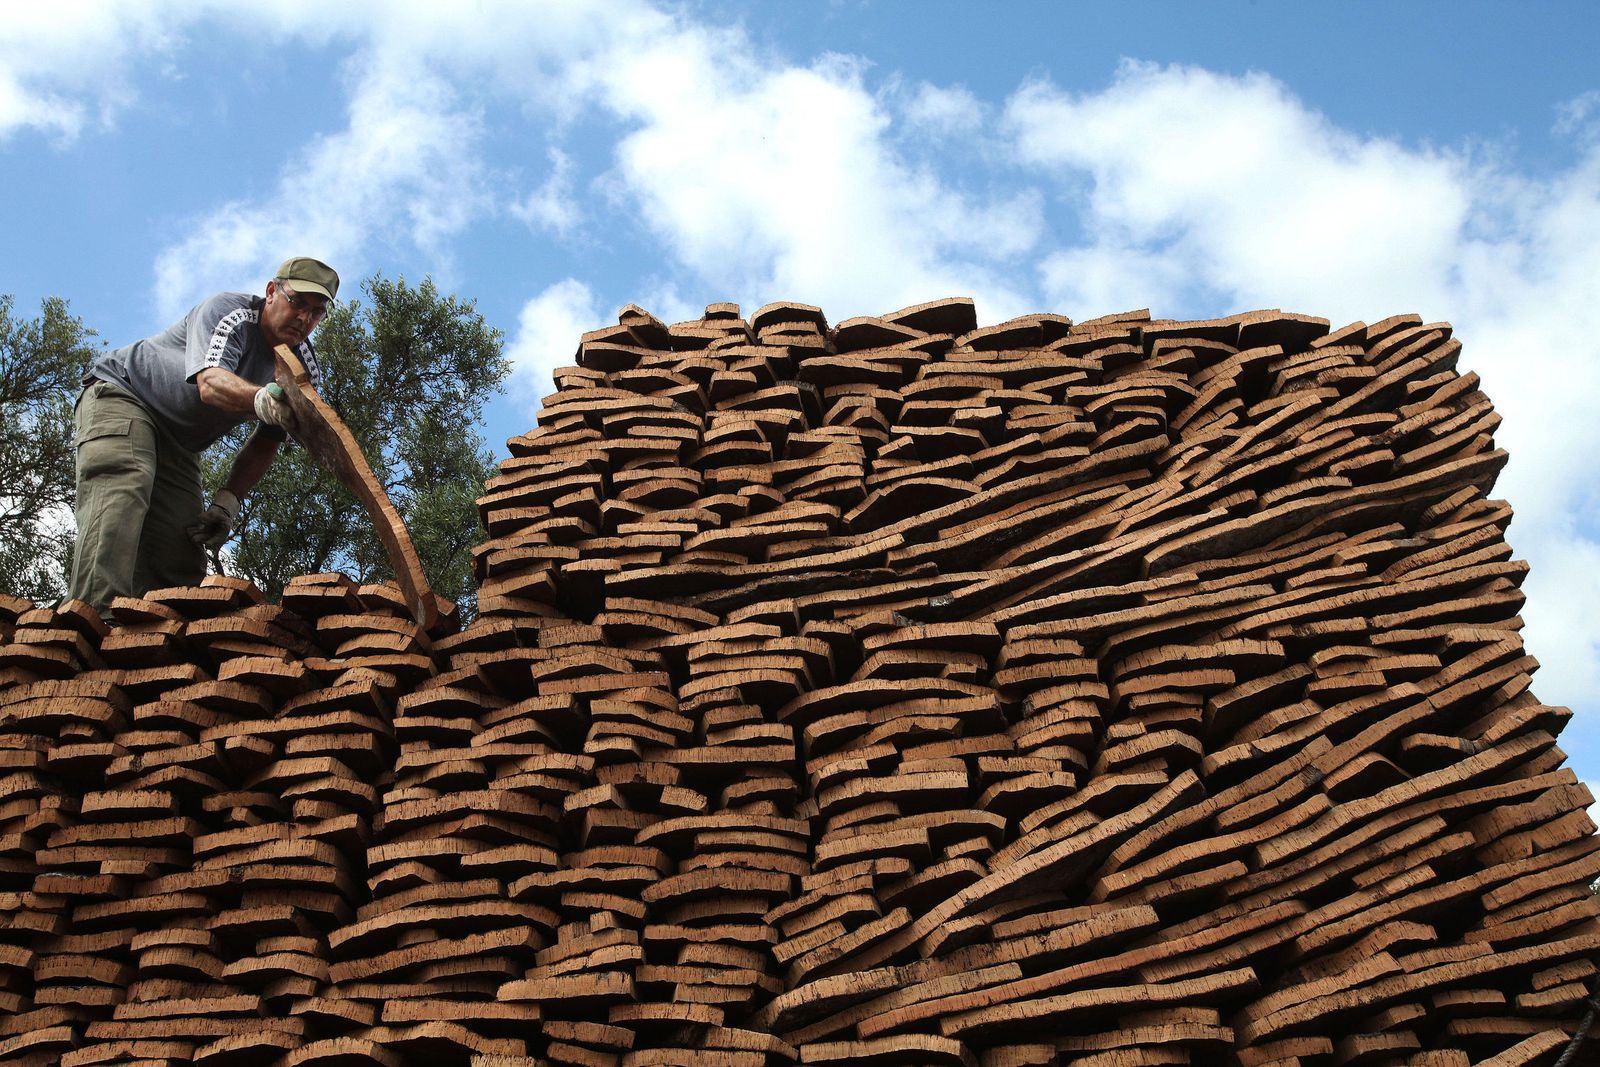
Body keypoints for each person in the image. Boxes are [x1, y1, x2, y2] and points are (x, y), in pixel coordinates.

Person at [67, 256, 339, 619]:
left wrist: (228, 503)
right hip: (125, 396)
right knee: (124, 488)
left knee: (180, 550)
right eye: (297, 303)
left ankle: (157, 645)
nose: (304, 318)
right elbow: (210, 384)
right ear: (272, 292)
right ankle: (90, 622)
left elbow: (267, 441)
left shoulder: (302, 369)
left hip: (179, 442)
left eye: (316, 311)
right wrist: (261, 398)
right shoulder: (230, 313)